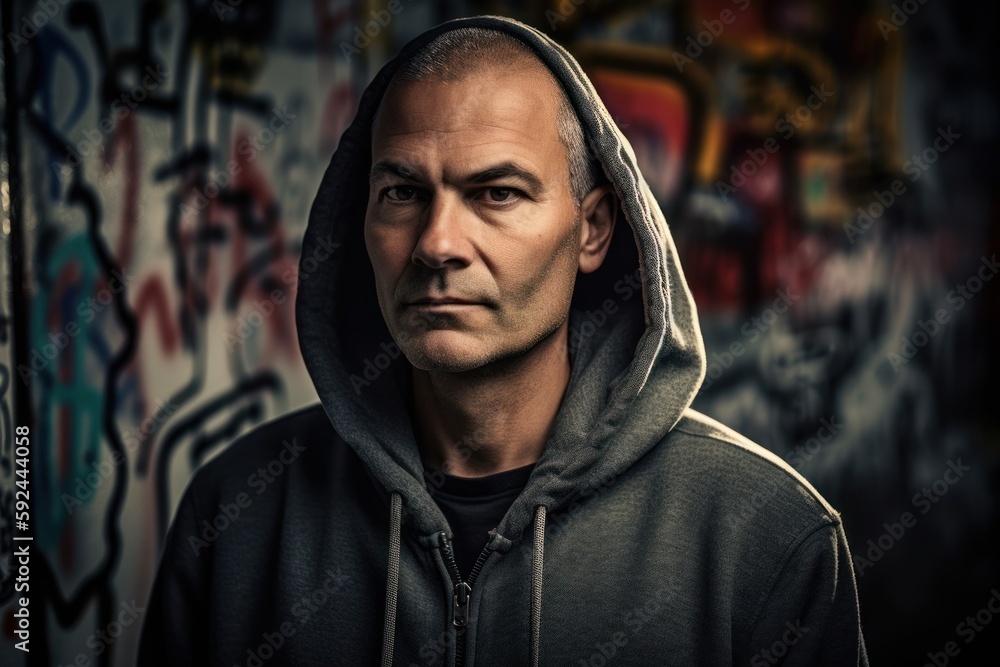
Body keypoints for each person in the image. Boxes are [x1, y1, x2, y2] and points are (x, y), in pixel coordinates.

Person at [138, 15, 869, 667]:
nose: (437, 243)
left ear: (592, 229)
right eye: (402, 191)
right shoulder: (236, 517)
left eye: (497, 193)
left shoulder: (765, 536)